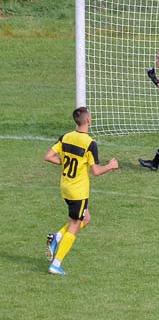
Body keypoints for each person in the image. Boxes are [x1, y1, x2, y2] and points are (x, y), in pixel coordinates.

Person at [44, 107, 119, 275]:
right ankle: (56, 264)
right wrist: (111, 166)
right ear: (88, 120)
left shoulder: (66, 137)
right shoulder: (90, 143)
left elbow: (48, 156)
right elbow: (96, 171)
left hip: (65, 187)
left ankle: (56, 238)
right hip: (79, 191)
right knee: (75, 225)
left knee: (86, 218)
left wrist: (64, 162)